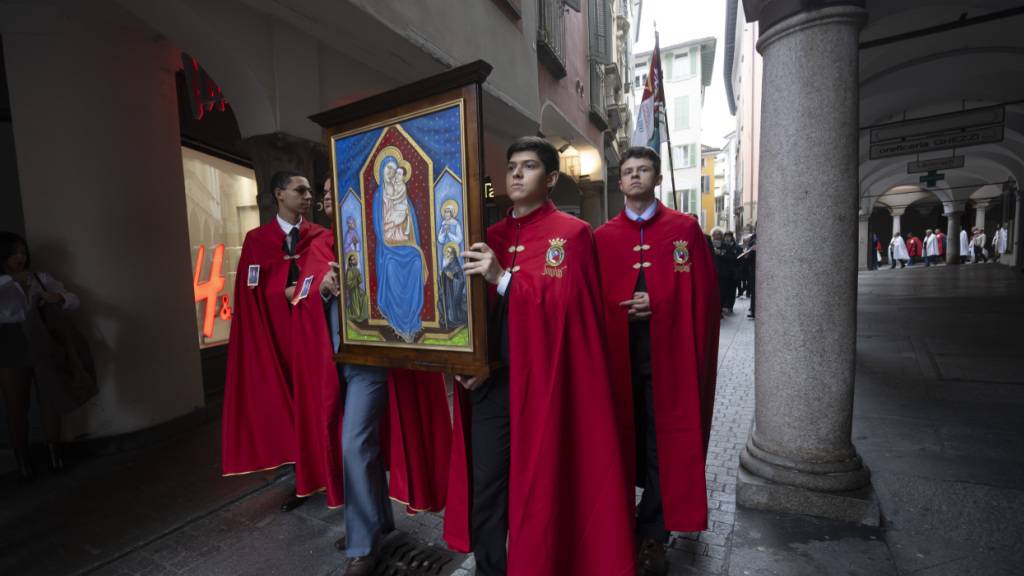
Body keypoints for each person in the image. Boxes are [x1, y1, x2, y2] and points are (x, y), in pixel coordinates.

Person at [452, 136, 635, 575]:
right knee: (487, 487)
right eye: (512, 165)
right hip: (492, 382)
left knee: (541, 485)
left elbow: (569, 314)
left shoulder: (572, 235)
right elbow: (469, 311)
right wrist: (464, 358)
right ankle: (490, 569)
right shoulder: (489, 237)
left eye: (529, 166)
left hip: (547, 385)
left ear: (551, 178)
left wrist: (504, 279)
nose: (516, 173)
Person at [595, 146, 721, 576]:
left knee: (662, 441)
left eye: (643, 169)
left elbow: (706, 295)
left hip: (671, 356)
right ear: (619, 182)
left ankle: (653, 531)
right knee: (617, 435)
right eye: (628, 171)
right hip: (616, 357)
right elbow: (587, 299)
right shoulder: (603, 237)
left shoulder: (685, 229)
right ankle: (615, 521)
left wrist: (661, 304)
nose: (635, 176)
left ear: (658, 178)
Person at [322, 185, 453, 576]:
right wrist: (324, 289)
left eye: (332, 188)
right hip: (331, 361)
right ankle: (373, 523)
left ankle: (362, 546)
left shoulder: (374, 230)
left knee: (354, 442)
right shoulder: (318, 242)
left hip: (370, 359)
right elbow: (301, 297)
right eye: (323, 191)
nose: (327, 196)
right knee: (364, 446)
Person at [221, 170, 343, 513]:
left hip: (314, 333)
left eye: (310, 191)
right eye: (300, 190)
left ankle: (332, 472)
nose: (308, 197)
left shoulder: (320, 236)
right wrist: (284, 293)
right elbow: (251, 291)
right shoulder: (257, 240)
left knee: (321, 403)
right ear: (279, 194)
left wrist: (306, 291)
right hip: (277, 335)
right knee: (289, 405)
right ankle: (303, 478)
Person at [0, 232, 81, 480]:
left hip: (41, 339)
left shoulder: (40, 278)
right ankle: (23, 461)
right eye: (13, 253)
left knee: (50, 398)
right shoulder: (3, 283)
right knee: (16, 405)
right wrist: (10, 280)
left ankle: (55, 455)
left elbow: (74, 300)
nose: (20, 258)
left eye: (22, 252)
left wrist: (57, 297)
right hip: (9, 340)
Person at [710, 227, 739, 315]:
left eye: (719, 234)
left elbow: (732, 258)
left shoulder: (726, 246)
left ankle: (719, 310)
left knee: (722, 293)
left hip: (723, 274)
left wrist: (721, 253)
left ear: (721, 236)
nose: (717, 236)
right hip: (711, 273)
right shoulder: (709, 245)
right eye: (715, 235)